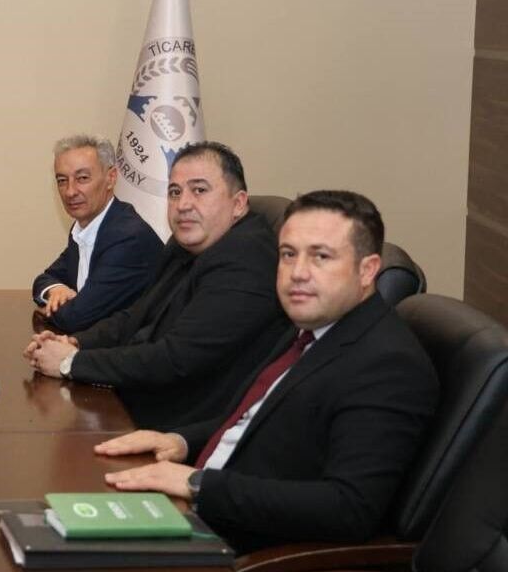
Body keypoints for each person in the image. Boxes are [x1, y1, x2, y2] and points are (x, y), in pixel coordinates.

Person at [95, 190, 437, 554]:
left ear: (367, 270)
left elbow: (349, 508)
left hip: (235, 546)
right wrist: (180, 441)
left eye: (320, 256)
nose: (297, 273)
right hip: (194, 512)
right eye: (288, 254)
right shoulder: (309, 326)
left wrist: (198, 484)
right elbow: (253, 421)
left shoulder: (387, 365)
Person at [25, 141, 284, 429]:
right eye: (175, 192)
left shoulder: (244, 258)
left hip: (177, 426)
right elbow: (135, 316)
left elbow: (175, 358)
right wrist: (76, 343)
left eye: (199, 190)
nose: (183, 204)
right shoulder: (184, 245)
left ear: (238, 204)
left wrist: (71, 362)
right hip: (141, 402)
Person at [32, 135, 163, 332]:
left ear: (111, 178)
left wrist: (47, 309)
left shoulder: (128, 238)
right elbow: (45, 279)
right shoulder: (84, 228)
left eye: (82, 178)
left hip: (136, 348)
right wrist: (56, 289)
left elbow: (76, 318)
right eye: (62, 180)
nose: (70, 191)